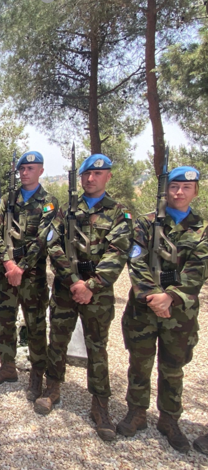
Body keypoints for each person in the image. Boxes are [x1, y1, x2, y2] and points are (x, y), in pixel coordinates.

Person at [34, 154, 132, 442]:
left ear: (108, 177)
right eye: (87, 174)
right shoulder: (67, 210)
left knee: (97, 348)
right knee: (58, 340)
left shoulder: (118, 213)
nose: (91, 179)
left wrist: (91, 285)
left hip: (97, 294)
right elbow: (53, 245)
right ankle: (52, 388)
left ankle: (100, 405)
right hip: (67, 288)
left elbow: (118, 253)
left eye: (97, 174)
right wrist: (73, 281)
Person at [117, 166, 208, 453]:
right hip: (144, 310)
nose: (179, 192)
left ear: (195, 191)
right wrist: (153, 297)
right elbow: (137, 260)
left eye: (186, 188)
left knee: (173, 369)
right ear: (167, 190)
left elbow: (198, 270)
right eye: (174, 187)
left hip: (179, 314)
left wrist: (171, 297)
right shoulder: (145, 223)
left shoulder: (202, 229)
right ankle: (137, 413)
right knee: (139, 364)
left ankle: (169, 420)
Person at [0, 151, 58, 401]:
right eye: (22, 169)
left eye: (31, 168)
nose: (25, 172)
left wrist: (21, 267)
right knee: (5, 322)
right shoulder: (8, 200)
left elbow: (43, 240)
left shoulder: (49, 202)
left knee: (36, 326)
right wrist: (8, 263)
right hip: (6, 275)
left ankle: (37, 375)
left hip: (32, 277)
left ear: (41, 170)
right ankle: (7, 367)